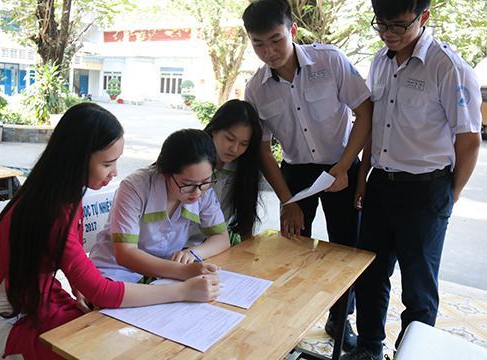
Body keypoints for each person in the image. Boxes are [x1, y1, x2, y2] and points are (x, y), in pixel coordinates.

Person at [0, 103, 220, 360]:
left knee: (113, 335)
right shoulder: (50, 210)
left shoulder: (62, 196)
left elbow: (74, 262)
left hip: (40, 301)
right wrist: (182, 291)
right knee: (103, 346)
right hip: (8, 327)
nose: (114, 172)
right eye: (107, 163)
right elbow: (102, 290)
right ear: (78, 158)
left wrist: (81, 292)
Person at [342, 1, 482, 359]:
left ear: (424, 17)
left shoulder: (447, 66)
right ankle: (369, 348)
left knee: (418, 289)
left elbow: (468, 140)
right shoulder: (380, 60)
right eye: (381, 24)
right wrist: (363, 178)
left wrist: (449, 196)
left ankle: (411, 353)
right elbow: (374, 124)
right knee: (371, 275)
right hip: (380, 185)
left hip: (426, 189)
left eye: (399, 26)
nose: (388, 33)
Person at [242, 0, 373, 351]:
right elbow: (262, 149)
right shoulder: (256, 88)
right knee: (293, 248)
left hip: (341, 167)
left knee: (345, 251)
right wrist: (287, 201)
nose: (268, 51)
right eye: (258, 44)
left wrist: (344, 168)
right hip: (296, 176)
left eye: (275, 40)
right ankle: (289, 318)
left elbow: (364, 111)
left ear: (293, 31)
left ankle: (339, 317)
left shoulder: (329, 60)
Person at [89, 129, 230, 284]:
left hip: (164, 274)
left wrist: (193, 253)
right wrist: (182, 271)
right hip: (115, 272)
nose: (197, 192)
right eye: (187, 184)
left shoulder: (204, 189)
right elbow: (125, 254)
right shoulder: (134, 187)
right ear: (165, 173)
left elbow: (222, 238)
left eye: (206, 181)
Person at [188, 99, 263, 247]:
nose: (234, 149)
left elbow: (245, 223)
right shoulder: (190, 158)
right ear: (214, 129)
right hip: (174, 247)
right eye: (230, 138)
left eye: (243, 144)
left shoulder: (243, 169)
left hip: (212, 247)